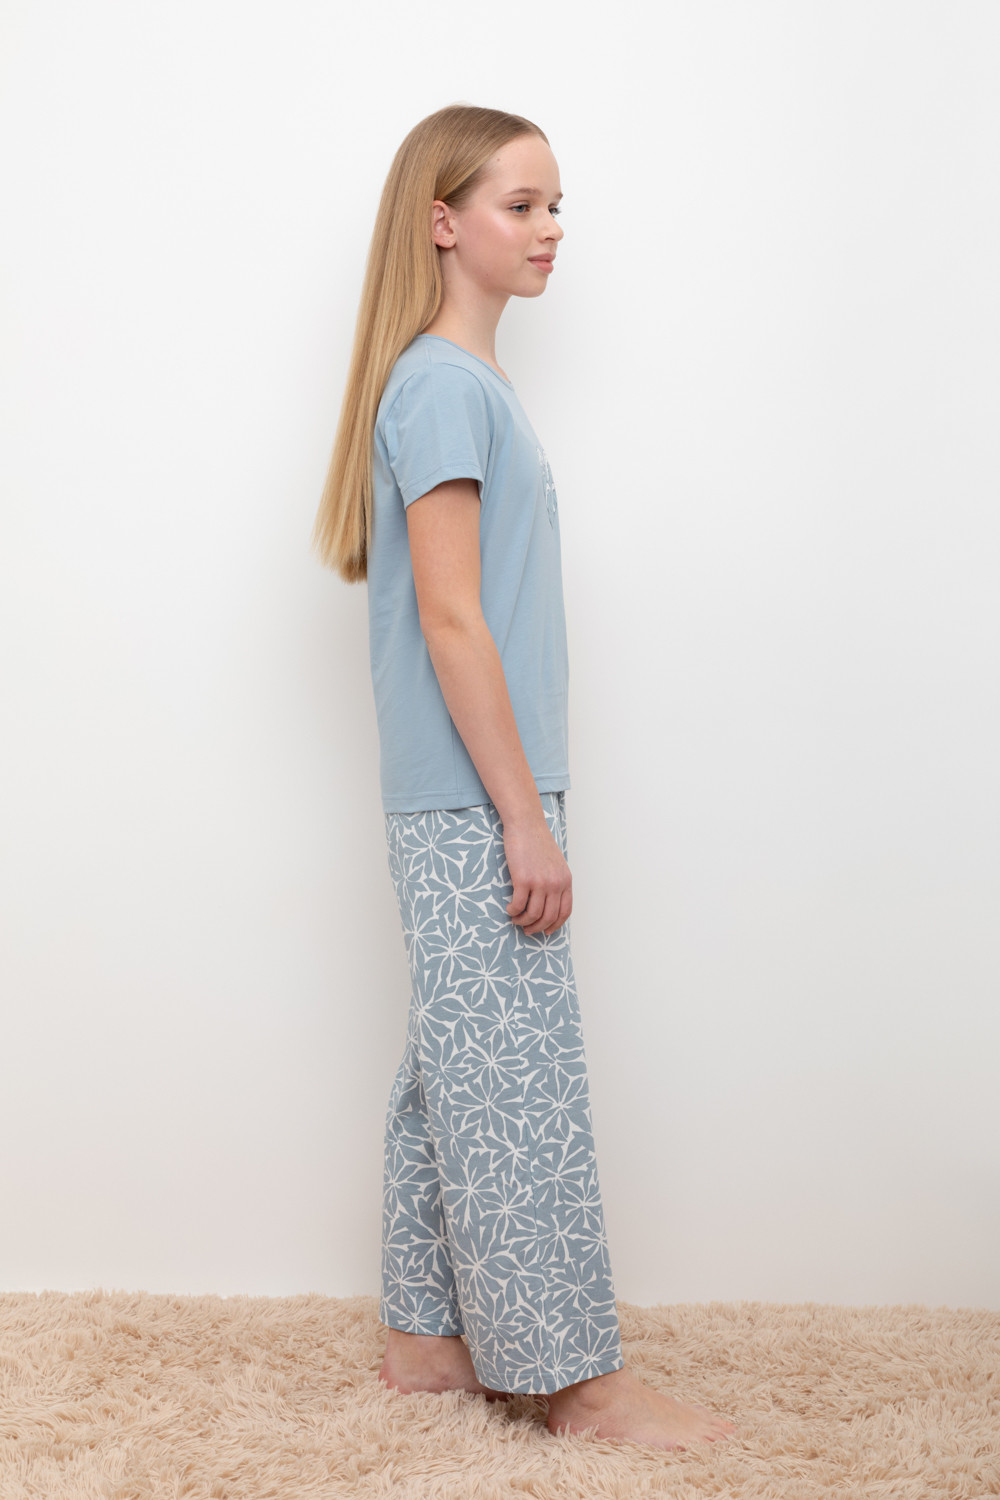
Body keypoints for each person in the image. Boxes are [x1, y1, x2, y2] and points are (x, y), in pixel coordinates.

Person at [311, 102, 738, 1452]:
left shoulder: (455, 382)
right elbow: (452, 618)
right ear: (444, 223)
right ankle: (575, 1385)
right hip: (474, 793)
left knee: (455, 1064)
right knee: (517, 1085)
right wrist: (521, 820)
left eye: (557, 207)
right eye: (522, 205)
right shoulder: (444, 384)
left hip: (465, 789)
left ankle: (428, 1342)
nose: (552, 230)